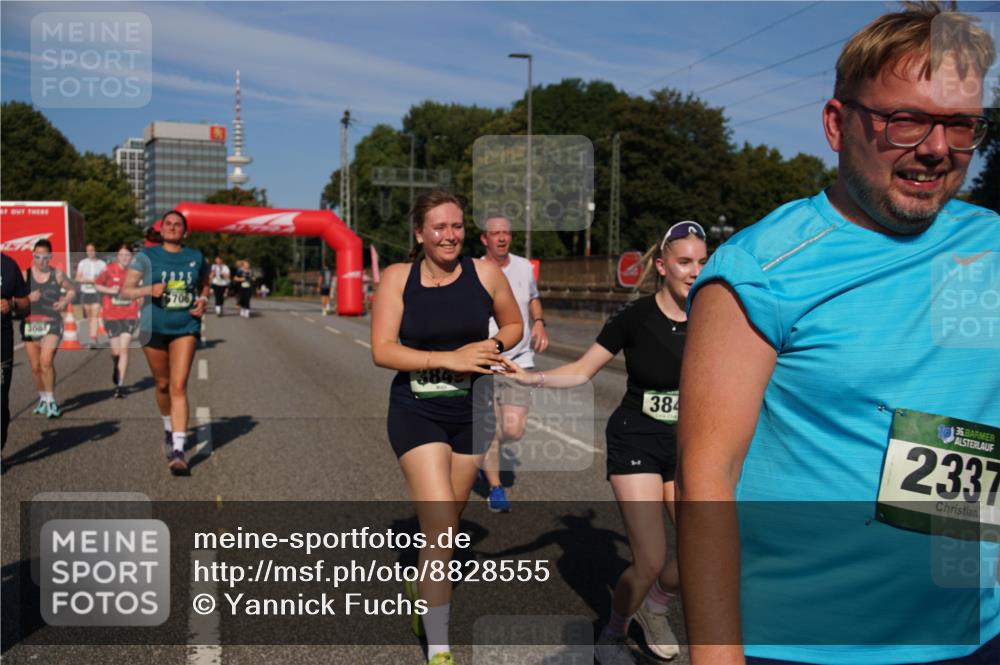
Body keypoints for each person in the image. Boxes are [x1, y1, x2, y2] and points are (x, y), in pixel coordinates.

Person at [676, 5, 999, 665]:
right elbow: (707, 478)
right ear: (836, 122)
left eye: (960, 125)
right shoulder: (762, 268)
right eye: (905, 118)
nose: (936, 148)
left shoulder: (990, 242)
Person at [502, 221, 707, 664]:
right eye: (684, 262)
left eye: (702, 262)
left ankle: (654, 608)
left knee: (701, 550)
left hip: (685, 445)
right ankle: (613, 633)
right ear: (662, 266)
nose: (694, 271)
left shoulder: (713, 317)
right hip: (636, 440)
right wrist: (531, 377)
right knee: (651, 557)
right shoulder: (635, 318)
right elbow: (582, 370)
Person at [370, 190, 522, 665]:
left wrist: (492, 344)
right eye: (439, 227)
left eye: (456, 226)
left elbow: (514, 324)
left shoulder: (485, 273)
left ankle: (422, 591)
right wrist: (448, 359)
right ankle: (439, 646)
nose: (450, 235)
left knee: (450, 522)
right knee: (439, 525)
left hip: (473, 411)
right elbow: (383, 350)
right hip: (416, 409)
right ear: (419, 234)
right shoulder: (398, 278)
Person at [123, 211, 209, 475]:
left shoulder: (196, 257)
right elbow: (126, 289)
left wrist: (203, 301)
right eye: (168, 224)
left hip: (185, 327)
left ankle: (180, 451)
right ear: (160, 230)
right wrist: (148, 290)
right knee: (162, 384)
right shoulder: (146, 257)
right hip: (153, 327)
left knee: (178, 385)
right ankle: (169, 429)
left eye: (178, 225)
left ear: (185, 231)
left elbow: (204, 286)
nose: (172, 228)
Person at [478, 215, 550, 512]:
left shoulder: (523, 267)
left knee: (514, 429)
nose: (502, 238)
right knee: (489, 428)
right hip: (486, 360)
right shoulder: (476, 270)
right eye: (495, 233)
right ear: (485, 239)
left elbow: (533, 298)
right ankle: (496, 488)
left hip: (520, 360)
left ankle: (485, 454)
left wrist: (540, 323)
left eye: (506, 232)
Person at [20, 239, 76, 418]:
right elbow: (15, 296)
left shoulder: (57, 275)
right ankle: (43, 398)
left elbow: (72, 289)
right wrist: (28, 298)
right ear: (33, 255)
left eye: (45, 257)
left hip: (52, 322)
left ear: (50, 257)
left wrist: (65, 301)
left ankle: (51, 400)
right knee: (35, 367)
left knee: (46, 360)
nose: (41, 260)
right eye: (38, 256)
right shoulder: (24, 275)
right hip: (30, 324)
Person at [94, 244, 140, 399]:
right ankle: (116, 365)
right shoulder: (108, 269)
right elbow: (97, 285)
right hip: (111, 315)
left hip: (130, 314)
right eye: (121, 255)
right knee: (116, 352)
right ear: (117, 256)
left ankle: (119, 386)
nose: (124, 258)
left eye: (127, 255)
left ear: (131, 257)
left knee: (124, 349)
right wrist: (109, 290)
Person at [2, 252, 30, 448]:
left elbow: (25, 302)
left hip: (1, 340)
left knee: (0, 399)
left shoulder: (8, 265)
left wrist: (11, 304)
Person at [75, 243, 107, 347]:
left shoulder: (102, 264)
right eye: (88, 250)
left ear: (95, 251)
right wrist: (90, 280)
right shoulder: (82, 263)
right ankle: (93, 336)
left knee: (95, 316)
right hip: (85, 292)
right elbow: (78, 278)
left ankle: (93, 339)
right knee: (89, 317)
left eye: (92, 250)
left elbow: (107, 278)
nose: (90, 252)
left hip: (97, 293)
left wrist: (99, 280)